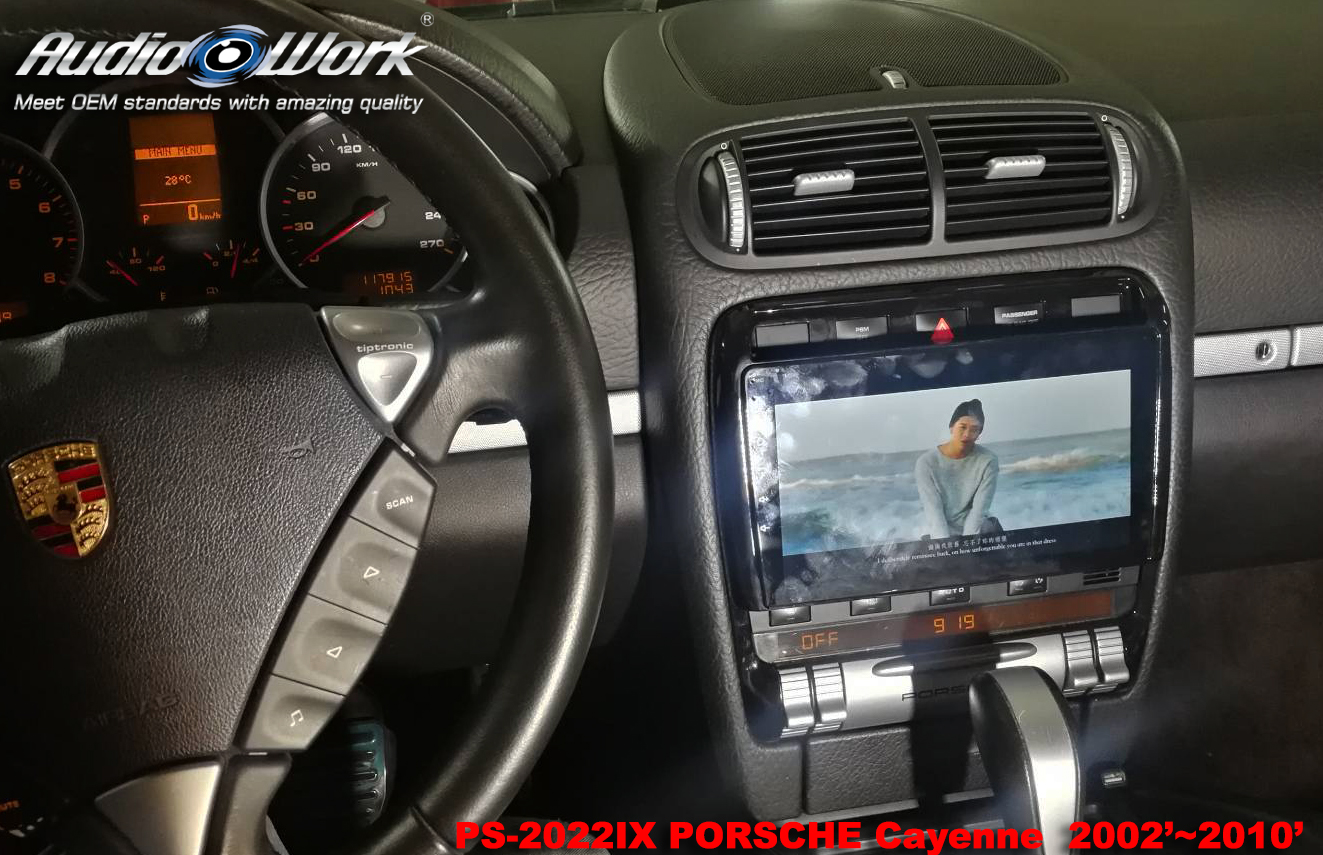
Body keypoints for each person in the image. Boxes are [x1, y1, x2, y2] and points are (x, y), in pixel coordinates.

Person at [915, 399, 1000, 539]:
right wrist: (945, 545)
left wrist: (969, 544)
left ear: (979, 434)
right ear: (951, 427)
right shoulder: (926, 463)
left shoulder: (988, 460)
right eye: (962, 427)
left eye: (974, 429)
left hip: (977, 526)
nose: (967, 434)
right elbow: (933, 510)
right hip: (940, 528)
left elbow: (979, 509)